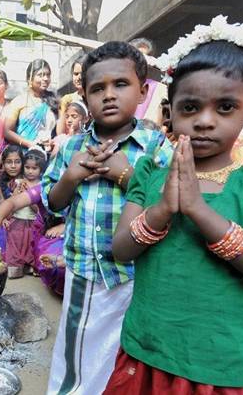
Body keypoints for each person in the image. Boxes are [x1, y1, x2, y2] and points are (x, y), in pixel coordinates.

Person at [103, 20, 243, 394]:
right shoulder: (150, 174)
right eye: (191, 107)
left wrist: (199, 211)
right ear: (169, 116)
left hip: (217, 364)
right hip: (146, 349)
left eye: (225, 107)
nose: (205, 121)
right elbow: (120, 250)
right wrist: (161, 212)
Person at [41, 41, 174, 394]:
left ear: (143, 90)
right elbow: (53, 203)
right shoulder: (71, 146)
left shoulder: (156, 147)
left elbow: (171, 202)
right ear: (83, 94)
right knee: (76, 350)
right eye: (97, 88)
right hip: (84, 270)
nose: (109, 95)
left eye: (121, 84)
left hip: (135, 275)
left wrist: (126, 174)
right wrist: (71, 176)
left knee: (124, 354)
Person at [0, 183, 66, 296]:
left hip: (76, 231)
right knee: (53, 267)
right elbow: (12, 203)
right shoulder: (44, 188)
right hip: (48, 230)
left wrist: (66, 227)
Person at [4, 148, 46, 278]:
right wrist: (17, 193)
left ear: (41, 170)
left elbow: (38, 210)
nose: (30, 171)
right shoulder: (17, 182)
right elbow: (11, 203)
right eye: (27, 167)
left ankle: (31, 267)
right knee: (15, 245)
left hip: (33, 221)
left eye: (34, 168)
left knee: (31, 246)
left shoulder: (42, 185)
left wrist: (30, 195)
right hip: (17, 219)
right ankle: (15, 269)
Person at [3, 59, 58, 151]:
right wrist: (29, 144)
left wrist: (53, 142)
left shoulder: (53, 100)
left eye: (48, 75)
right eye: (40, 75)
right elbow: (7, 131)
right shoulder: (19, 101)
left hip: (48, 154)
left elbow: (58, 132)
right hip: (24, 155)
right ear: (29, 79)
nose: (45, 78)